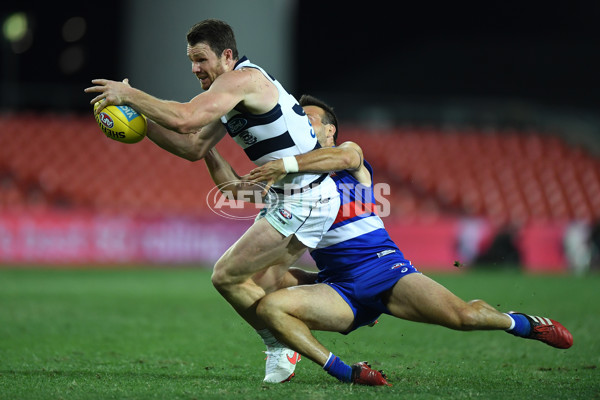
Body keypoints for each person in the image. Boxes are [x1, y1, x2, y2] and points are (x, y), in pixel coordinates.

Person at [241, 94, 573, 386]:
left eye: (308, 118)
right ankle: (343, 371)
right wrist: (206, 150)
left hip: (384, 269)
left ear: (330, 130)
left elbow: (346, 158)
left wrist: (282, 164)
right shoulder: (290, 179)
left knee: (464, 317)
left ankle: (520, 323)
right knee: (266, 296)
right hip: (338, 285)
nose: (300, 122)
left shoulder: (347, 154)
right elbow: (239, 190)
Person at [84, 19, 340, 383]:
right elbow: (194, 146)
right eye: (191, 60)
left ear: (228, 56)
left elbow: (187, 120)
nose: (194, 68)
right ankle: (347, 291)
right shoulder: (231, 93)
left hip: (304, 197)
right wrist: (141, 123)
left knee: (227, 276)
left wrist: (130, 96)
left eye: (201, 59)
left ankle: (279, 344)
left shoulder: (242, 81)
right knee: (266, 283)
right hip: (297, 195)